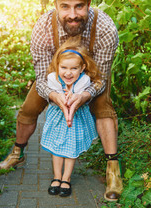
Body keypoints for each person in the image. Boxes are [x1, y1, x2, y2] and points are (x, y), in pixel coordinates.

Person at [0, 0, 123, 201]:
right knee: (28, 109)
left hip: (89, 78)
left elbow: (102, 77)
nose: (72, 14)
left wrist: (85, 95)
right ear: (55, 5)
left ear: (88, 4)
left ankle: (112, 171)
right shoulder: (43, 28)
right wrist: (56, 96)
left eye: (79, 6)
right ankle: (18, 152)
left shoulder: (105, 28)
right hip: (53, 79)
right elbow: (42, 75)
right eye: (65, 6)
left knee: (104, 108)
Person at [41, 37, 100, 197]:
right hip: (57, 119)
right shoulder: (53, 78)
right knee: (56, 148)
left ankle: (66, 178)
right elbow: (57, 97)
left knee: (70, 149)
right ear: (57, 66)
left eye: (74, 68)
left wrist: (71, 101)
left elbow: (78, 99)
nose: (68, 72)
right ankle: (56, 177)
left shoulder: (84, 80)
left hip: (76, 119)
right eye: (64, 67)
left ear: (82, 68)